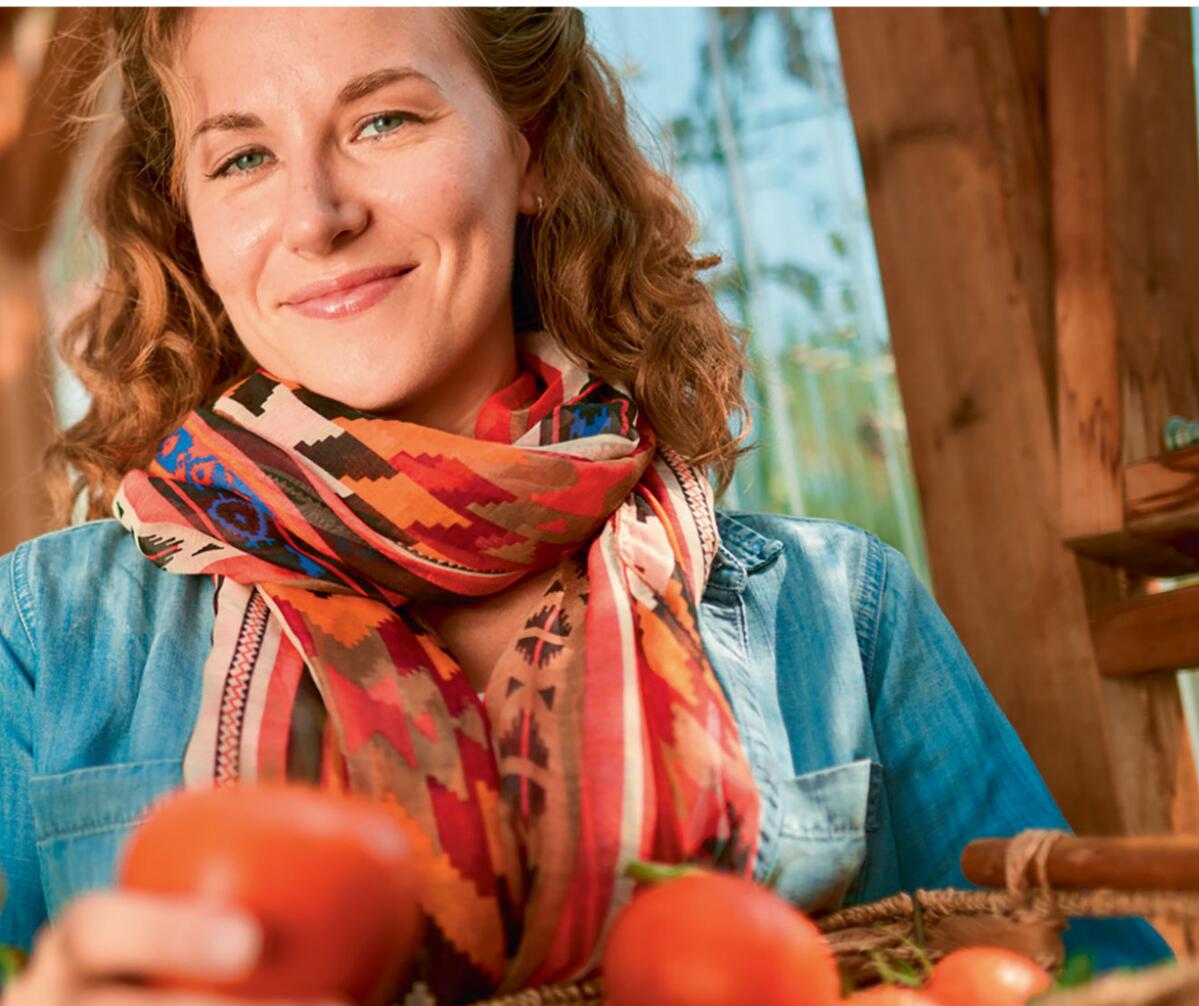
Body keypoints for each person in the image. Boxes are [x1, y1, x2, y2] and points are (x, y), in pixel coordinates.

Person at [0, 7, 1172, 1006]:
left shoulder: (837, 617)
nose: (316, 215)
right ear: (194, 224)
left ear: (536, 149)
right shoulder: (44, 641)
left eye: (383, 120)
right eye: (241, 157)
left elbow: (1092, 981)